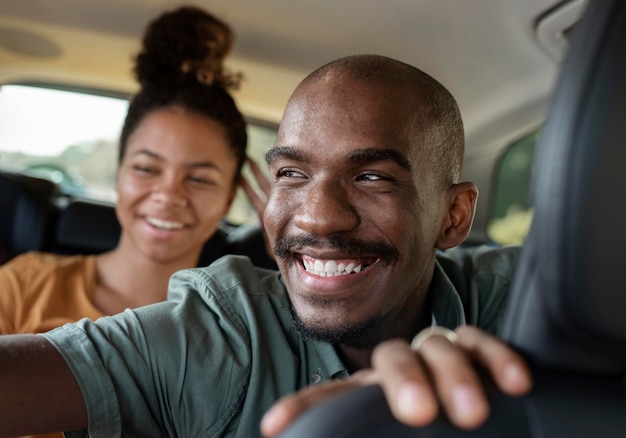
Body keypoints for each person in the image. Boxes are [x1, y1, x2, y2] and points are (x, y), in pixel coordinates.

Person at [0, 54, 531, 437]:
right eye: (292, 173)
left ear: (455, 215)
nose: (319, 215)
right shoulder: (220, 329)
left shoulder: (524, 304)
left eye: (372, 177)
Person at [0, 6, 271, 335]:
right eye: (146, 168)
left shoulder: (242, 326)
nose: (168, 195)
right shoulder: (25, 286)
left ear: (229, 197)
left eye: (199, 178)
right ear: (119, 174)